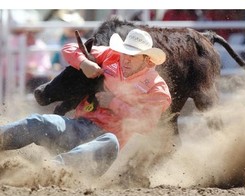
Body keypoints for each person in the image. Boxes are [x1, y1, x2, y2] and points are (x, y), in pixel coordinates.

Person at [0, 29, 172, 176]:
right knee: (38, 122)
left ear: (147, 59)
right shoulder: (111, 56)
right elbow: (70, 48)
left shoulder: (157, 87)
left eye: (133, 56)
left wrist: (113, 103)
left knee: (110, 141)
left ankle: (45, 171)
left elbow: (147, 123)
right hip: (77, 127)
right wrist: (84, 63)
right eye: (125, 53)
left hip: (102, 145)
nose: (126, 59)